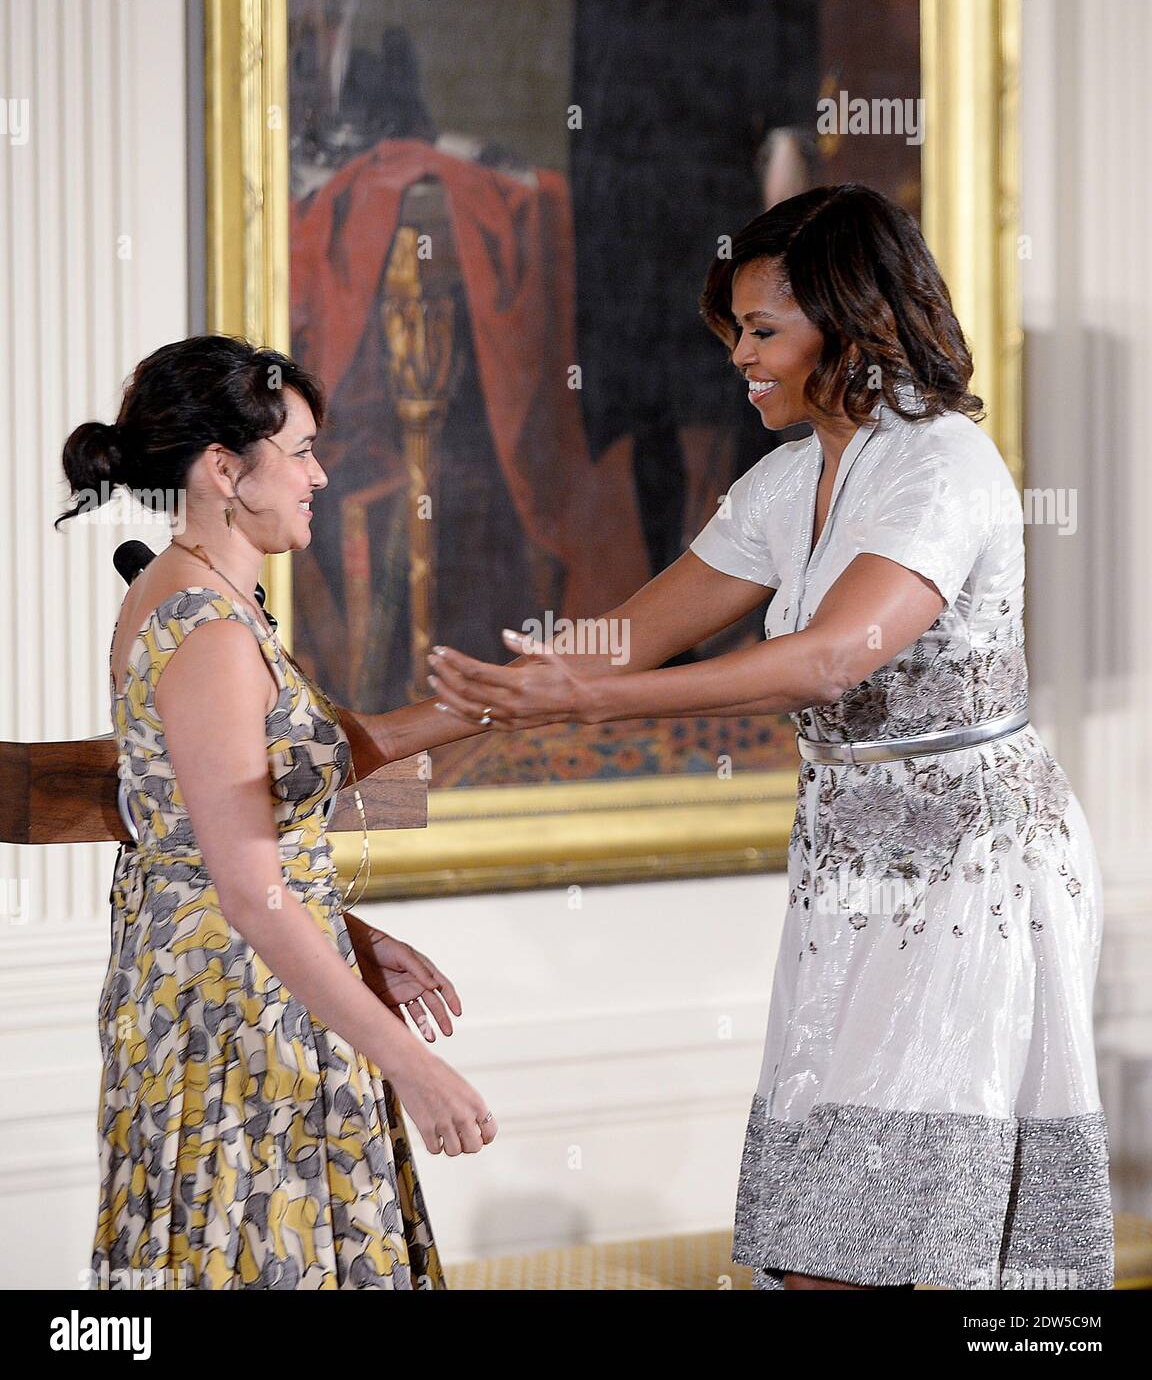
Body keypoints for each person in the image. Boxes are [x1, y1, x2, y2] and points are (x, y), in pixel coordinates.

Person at [415, 185, 1114, 1291]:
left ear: (853, 318)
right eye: (737, 329)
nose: (739, 355)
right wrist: (405, 725)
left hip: (974, 874)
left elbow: (835, 655)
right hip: (848, 876)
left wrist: (591, 703)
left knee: (883, 1251)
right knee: (819, 1249)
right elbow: (619, 638)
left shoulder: (941, 467)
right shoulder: (790, 481)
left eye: (762, 329)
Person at [56, 335, 497, 1291]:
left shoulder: (206, 596)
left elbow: (232, 831)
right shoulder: (206, 629)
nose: (319, 475)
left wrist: (351, 932)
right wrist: (412, 1068)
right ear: (225, 470)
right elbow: (249, 894)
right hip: (233, 1011)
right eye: (298, 451)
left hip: (242, 984)